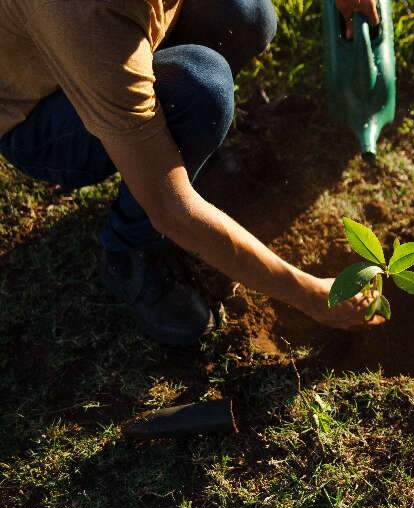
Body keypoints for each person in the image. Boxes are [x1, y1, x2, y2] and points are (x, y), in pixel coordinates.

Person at [0, 0, 384, 347]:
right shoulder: (87, 18)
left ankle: (185, 146)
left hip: (107, 44)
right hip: (37, 111)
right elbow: (171, 207)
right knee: (202, 86)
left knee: (246, 15)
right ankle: (130, 248)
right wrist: (313, 295)